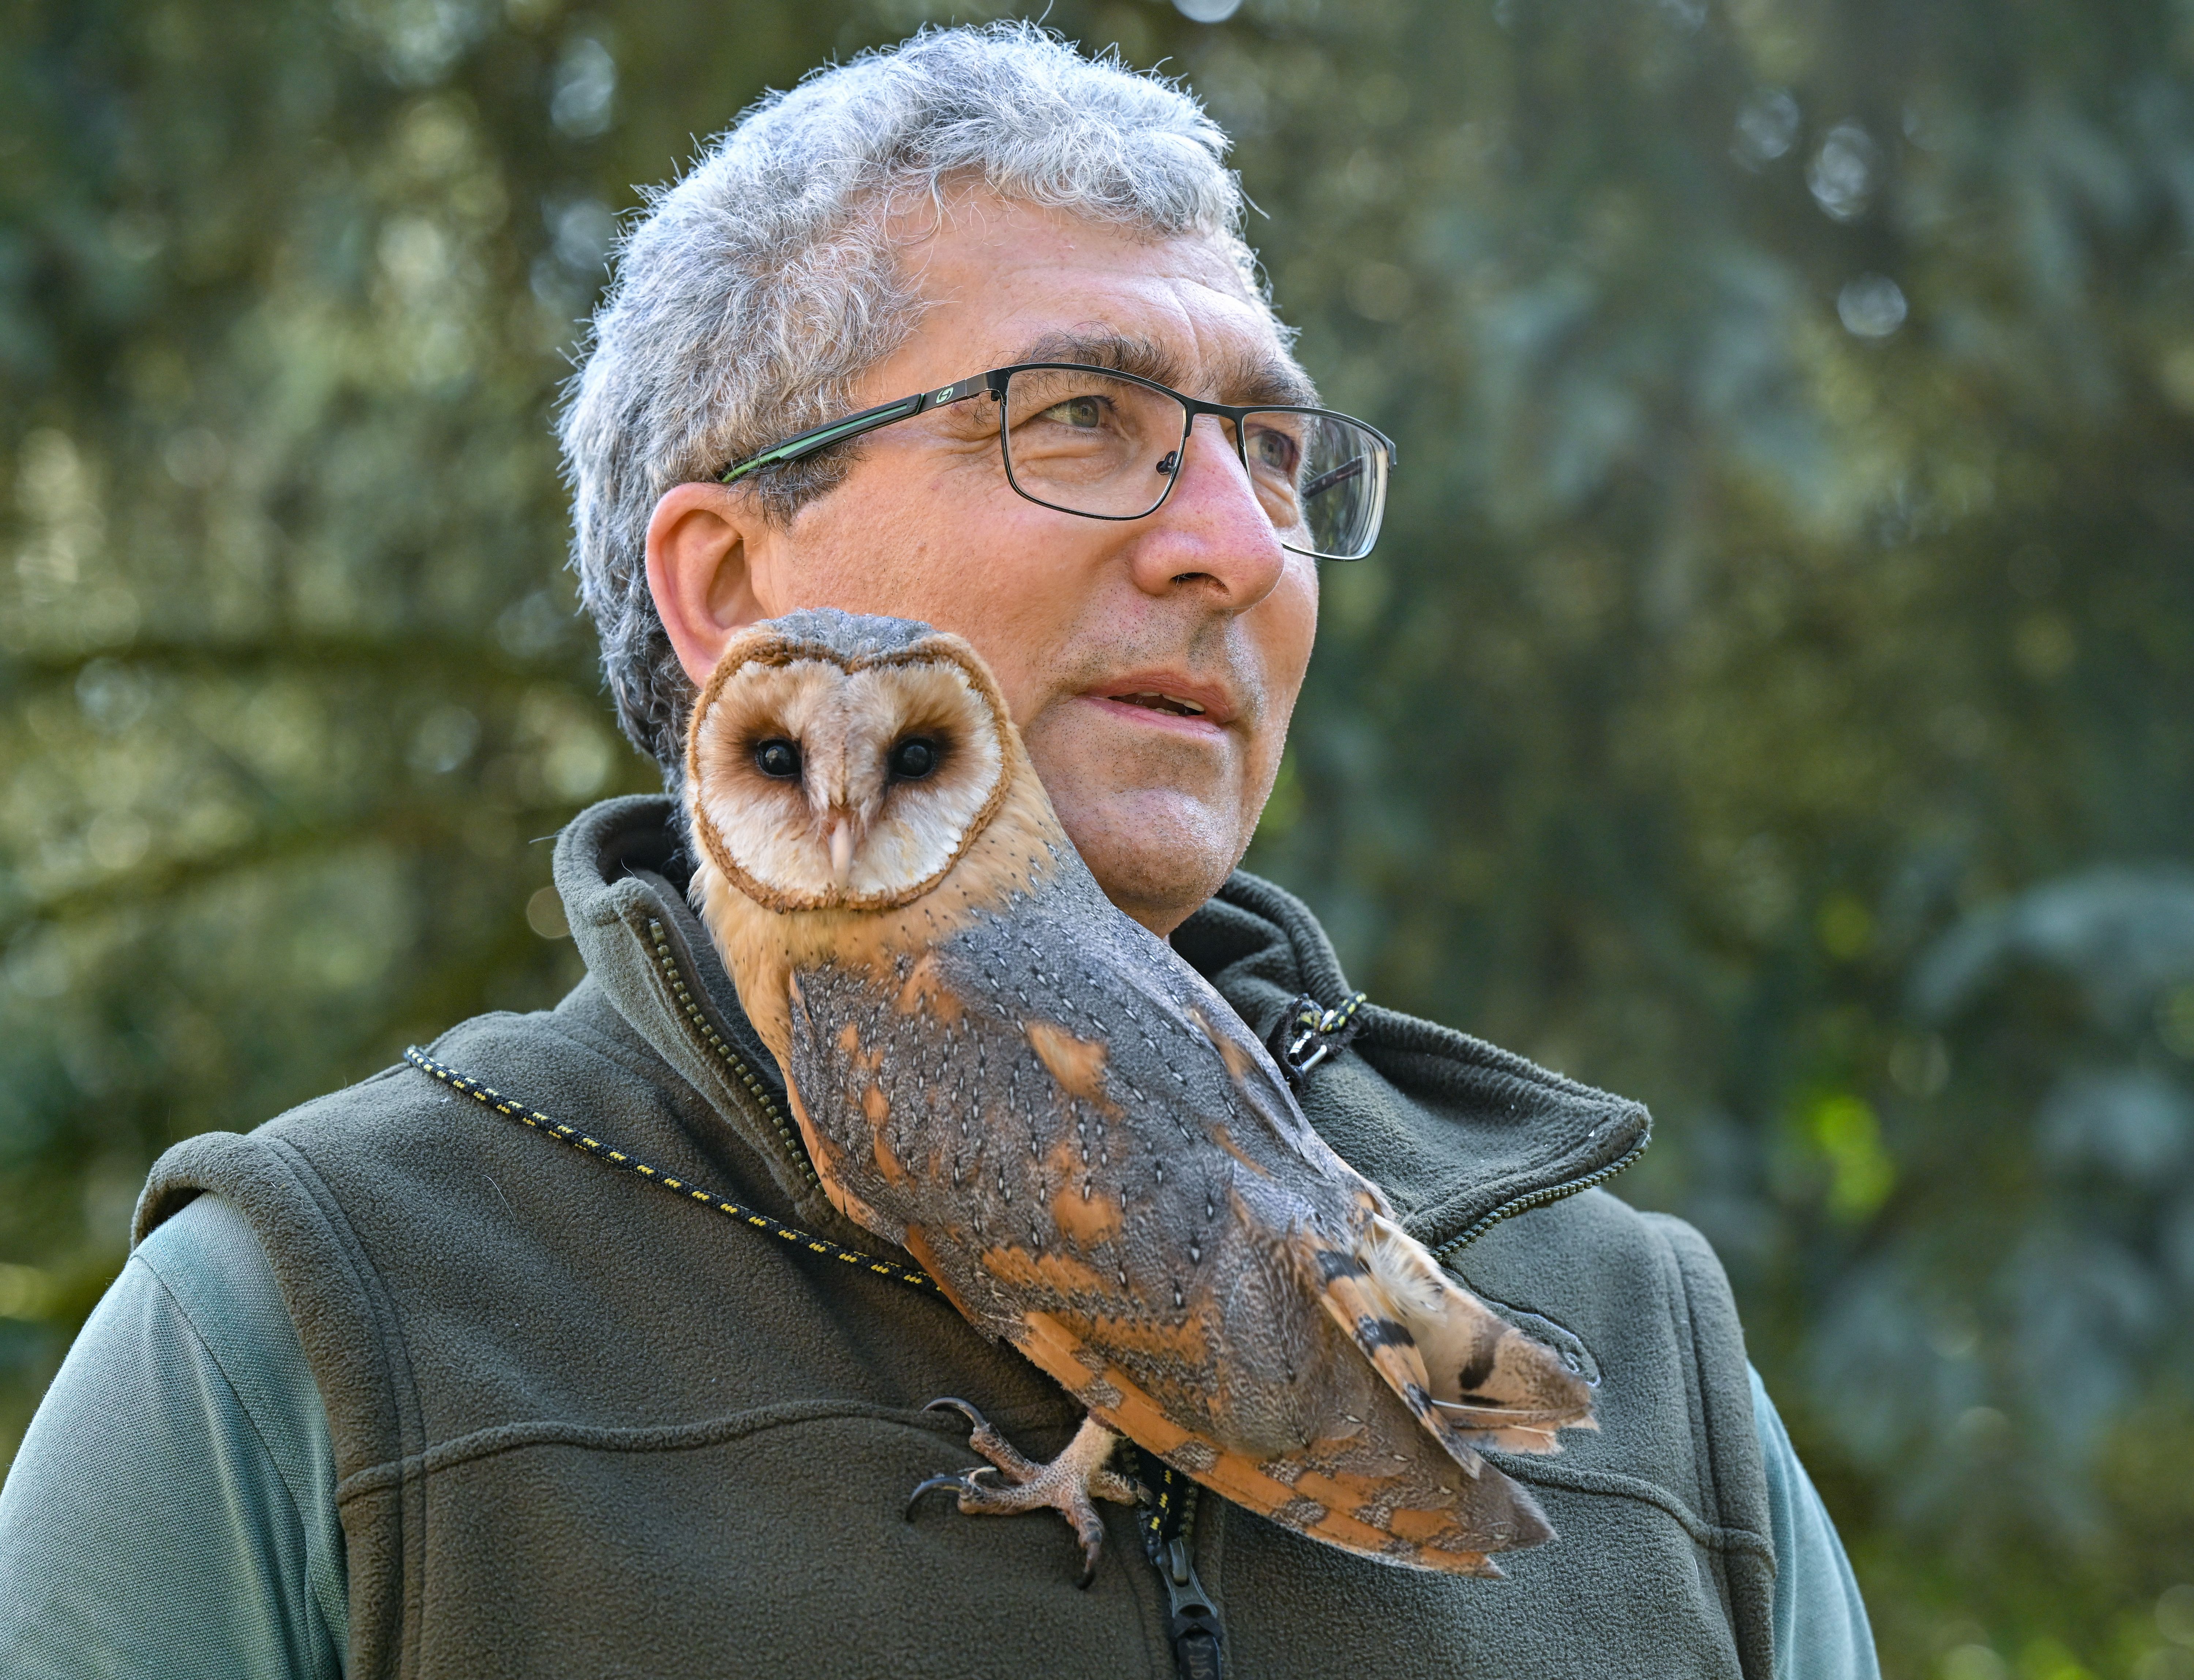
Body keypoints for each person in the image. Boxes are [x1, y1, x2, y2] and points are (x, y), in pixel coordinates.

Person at [0, 24, 1876, 1679]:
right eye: (1079, 417)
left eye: (1272, 451)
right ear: (732, 587)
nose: (1237, 544)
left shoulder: (1643, 1350)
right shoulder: (322, 1324)